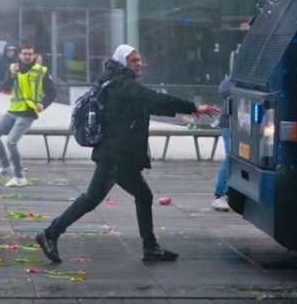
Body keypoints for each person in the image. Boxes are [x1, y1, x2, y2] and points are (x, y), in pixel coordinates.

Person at [35, 44, 219, 263]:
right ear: (123, 62)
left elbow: (148, 105)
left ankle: (150, 247)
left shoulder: (116, 83)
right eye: (134, 61)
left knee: (142, 195)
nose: (139, 64)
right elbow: (153, 99)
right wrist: (193, 107)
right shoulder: (122, 85)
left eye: (140, 60)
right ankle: (50, 233)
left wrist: (185, 111)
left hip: (120, 155)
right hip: (116, 156)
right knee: (92, 198)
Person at [0, 44, 56, 187]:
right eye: (24, 54)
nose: (27, 56)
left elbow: (52, 93)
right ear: (19, 55)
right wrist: (11, 74)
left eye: (30, 54)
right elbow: (4, 87)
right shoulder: (13, 68)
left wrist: (43, 104)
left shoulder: (41, 71)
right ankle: (6, 165)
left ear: (34, 55)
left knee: (11, 142)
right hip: (13, 111)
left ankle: (19, 176)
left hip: (28, 113)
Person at [212, 74, 232, 211]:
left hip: (236, 123)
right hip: (230, 123)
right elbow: (224, 90)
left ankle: (225, 193)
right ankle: (220, 195)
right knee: (231, 158)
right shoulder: (234, 78)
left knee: (232, 158)